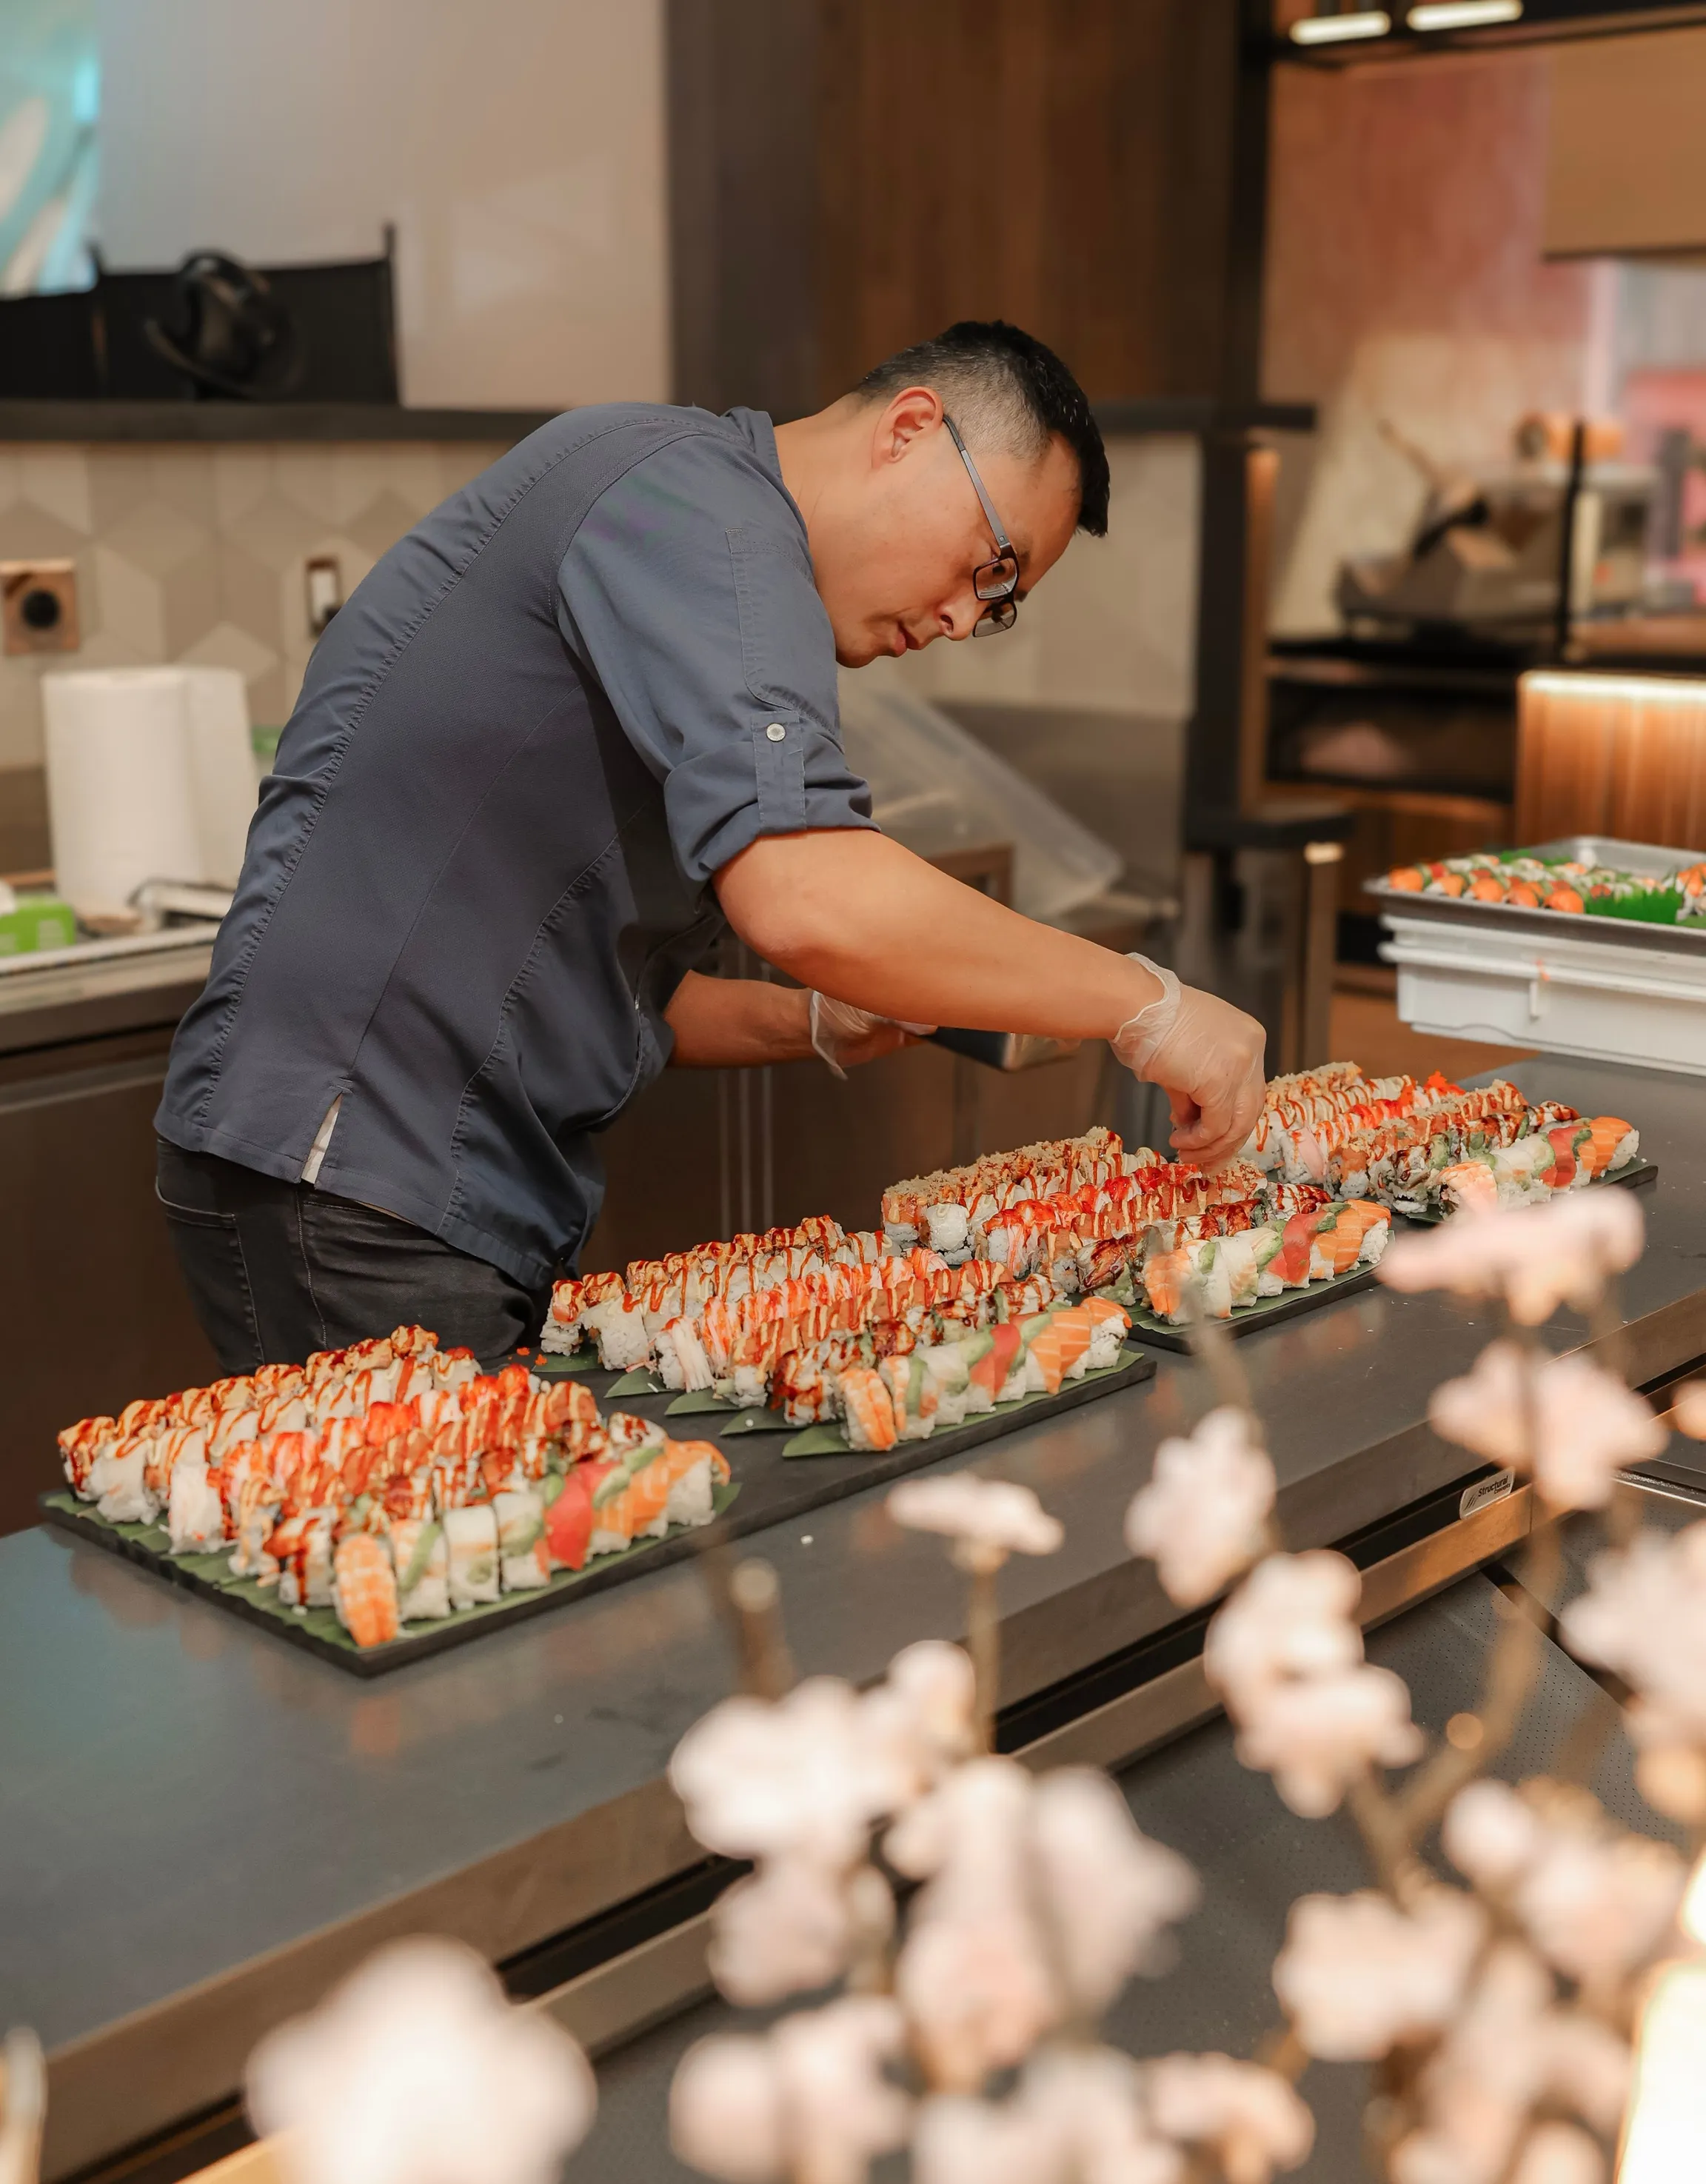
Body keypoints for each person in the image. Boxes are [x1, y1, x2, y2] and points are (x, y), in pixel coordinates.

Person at [155, 319, 1265, 1369]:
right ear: (911, 428)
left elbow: (571, 969)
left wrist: (813, 1020)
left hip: (397, 1175)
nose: (967, 621)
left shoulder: (703, 525)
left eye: (1003, 605)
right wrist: (1153, 1005)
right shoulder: (694, 507)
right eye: (991, 564)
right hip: (358, 1171)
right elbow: (807, 901)